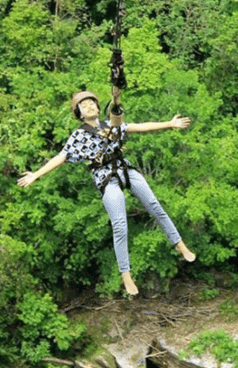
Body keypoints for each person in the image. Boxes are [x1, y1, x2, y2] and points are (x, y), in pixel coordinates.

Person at [17, 90, 195, 295]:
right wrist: (36, 175)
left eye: (92, 103)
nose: (90, 106)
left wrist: (169, 124)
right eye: (84, 106)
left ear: (99, 107)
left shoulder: (111, 125)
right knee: (120, 225)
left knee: (155, 206)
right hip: (105, 177)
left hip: (125, 169)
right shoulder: (78, 136)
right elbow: (61, 157)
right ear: (80, 114)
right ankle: (126, 274)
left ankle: (179, 244)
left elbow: (141, 127)